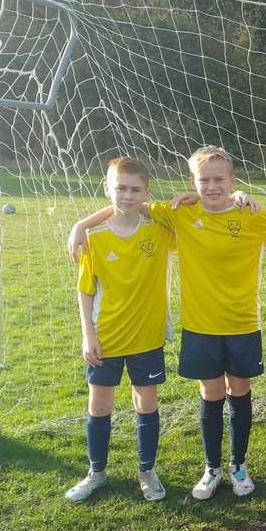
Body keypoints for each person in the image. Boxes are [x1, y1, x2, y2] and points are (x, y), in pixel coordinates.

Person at [69, 145, 266, 500]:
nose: (212, 186)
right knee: (207, 393)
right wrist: (82, 223)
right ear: (192, 182)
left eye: (219, 180)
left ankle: (235, 465)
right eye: (204, 180)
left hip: (234, 325)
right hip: (189, 328)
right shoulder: (174, 216)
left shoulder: (234, 215)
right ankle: (209, 468)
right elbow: (128, 206)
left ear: (232, 181)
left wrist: (248, 201)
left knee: (237, 391)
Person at [66, 157, 174, 503]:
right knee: (99, 404)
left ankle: (147, 471)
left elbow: (190, 206)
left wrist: (81, 220)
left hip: (147, 336)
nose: (128, 195)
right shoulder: (94, 237)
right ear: (107, 189)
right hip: (106, 337)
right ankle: (96, 473)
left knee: (146, 402)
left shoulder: (159, 228)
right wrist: (88, 334)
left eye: (135, 189)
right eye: (120, 188)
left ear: (147, 192)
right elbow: (85, 289)